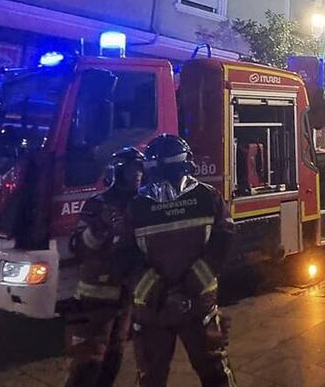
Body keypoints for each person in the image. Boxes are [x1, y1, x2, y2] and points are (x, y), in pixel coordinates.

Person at [128, 134, 236, 386]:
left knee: (150, 378)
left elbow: (124, 258)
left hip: (152, 312)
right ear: (187, 164)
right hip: (198, 307)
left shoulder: (136, 207)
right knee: (216, 374)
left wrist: (162, 295)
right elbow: (222, 245)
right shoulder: (209, 197)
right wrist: (188, 291)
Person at [64, 147, 146, 387]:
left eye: (140, 169)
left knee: (114, 358)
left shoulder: (141, 204)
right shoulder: (97, 205)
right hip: (95, 299)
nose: (138, 175)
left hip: (126, 297)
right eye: (133, 170)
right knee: (88, 364)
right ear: (118, 173)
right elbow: (77, 246)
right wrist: (101, 226)